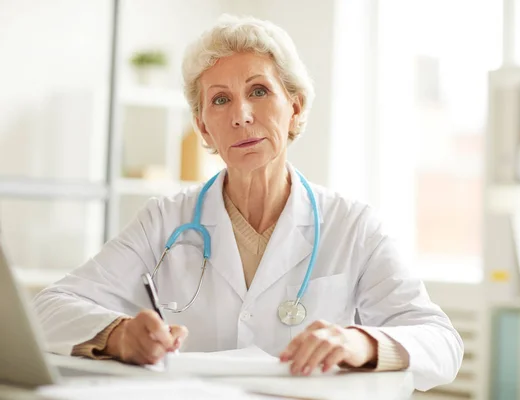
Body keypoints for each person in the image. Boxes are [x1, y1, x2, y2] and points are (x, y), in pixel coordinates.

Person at [33, 14, 463, 391]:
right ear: (203, 128)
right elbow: (48, 309)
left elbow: (441, 342)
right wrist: (120, 334)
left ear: (295, 107)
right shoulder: (164, 220)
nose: (240, 114)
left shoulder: (355, 226)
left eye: (258, 91)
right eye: (220, 100)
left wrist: (358, 341)